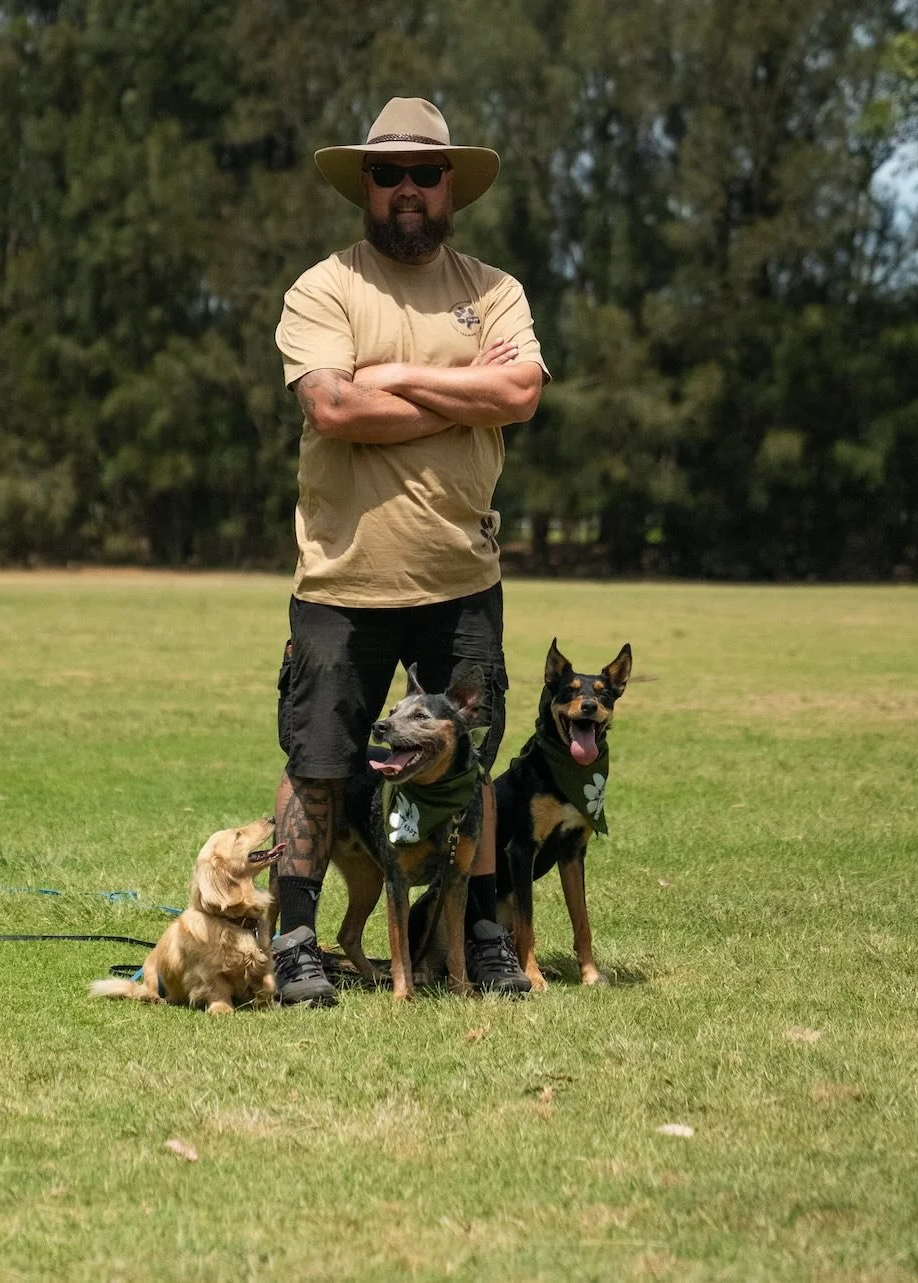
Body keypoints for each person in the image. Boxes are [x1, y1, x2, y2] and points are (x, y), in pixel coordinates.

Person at [267, 97, 549, 1006]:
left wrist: (394, 376)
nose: (407, 189)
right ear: (365, 185)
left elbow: (522, 395)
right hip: (343, 580)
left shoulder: (494, 292)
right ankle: (296, 938)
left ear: (450, 184)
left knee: (471, 763)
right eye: (388, 174)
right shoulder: (324, 288)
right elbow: (332, 408)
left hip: (461, 577)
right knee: (318, 762)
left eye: (424, 173)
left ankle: (482, 935)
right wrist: (465, 392)